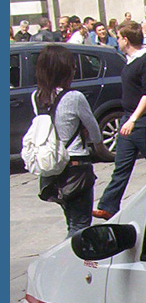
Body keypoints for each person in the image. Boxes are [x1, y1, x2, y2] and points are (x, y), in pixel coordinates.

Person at [93, 22, 146, 220]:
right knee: (122, 165)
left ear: (126, 39)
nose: (117, 41)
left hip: (145, 121)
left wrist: (133, 119)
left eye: (118, 37)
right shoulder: (130, 60)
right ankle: (108, 205)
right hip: (128, 118)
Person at [30, 44, 105, 236]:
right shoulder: (74, 97)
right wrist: (90, 139)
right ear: (65, 70)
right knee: (80, 225)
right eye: (72, 66)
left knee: (71, 220)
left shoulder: (36, 97)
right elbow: (96, 133)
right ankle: (74, 262)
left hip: (53, 168)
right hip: (76, 167)